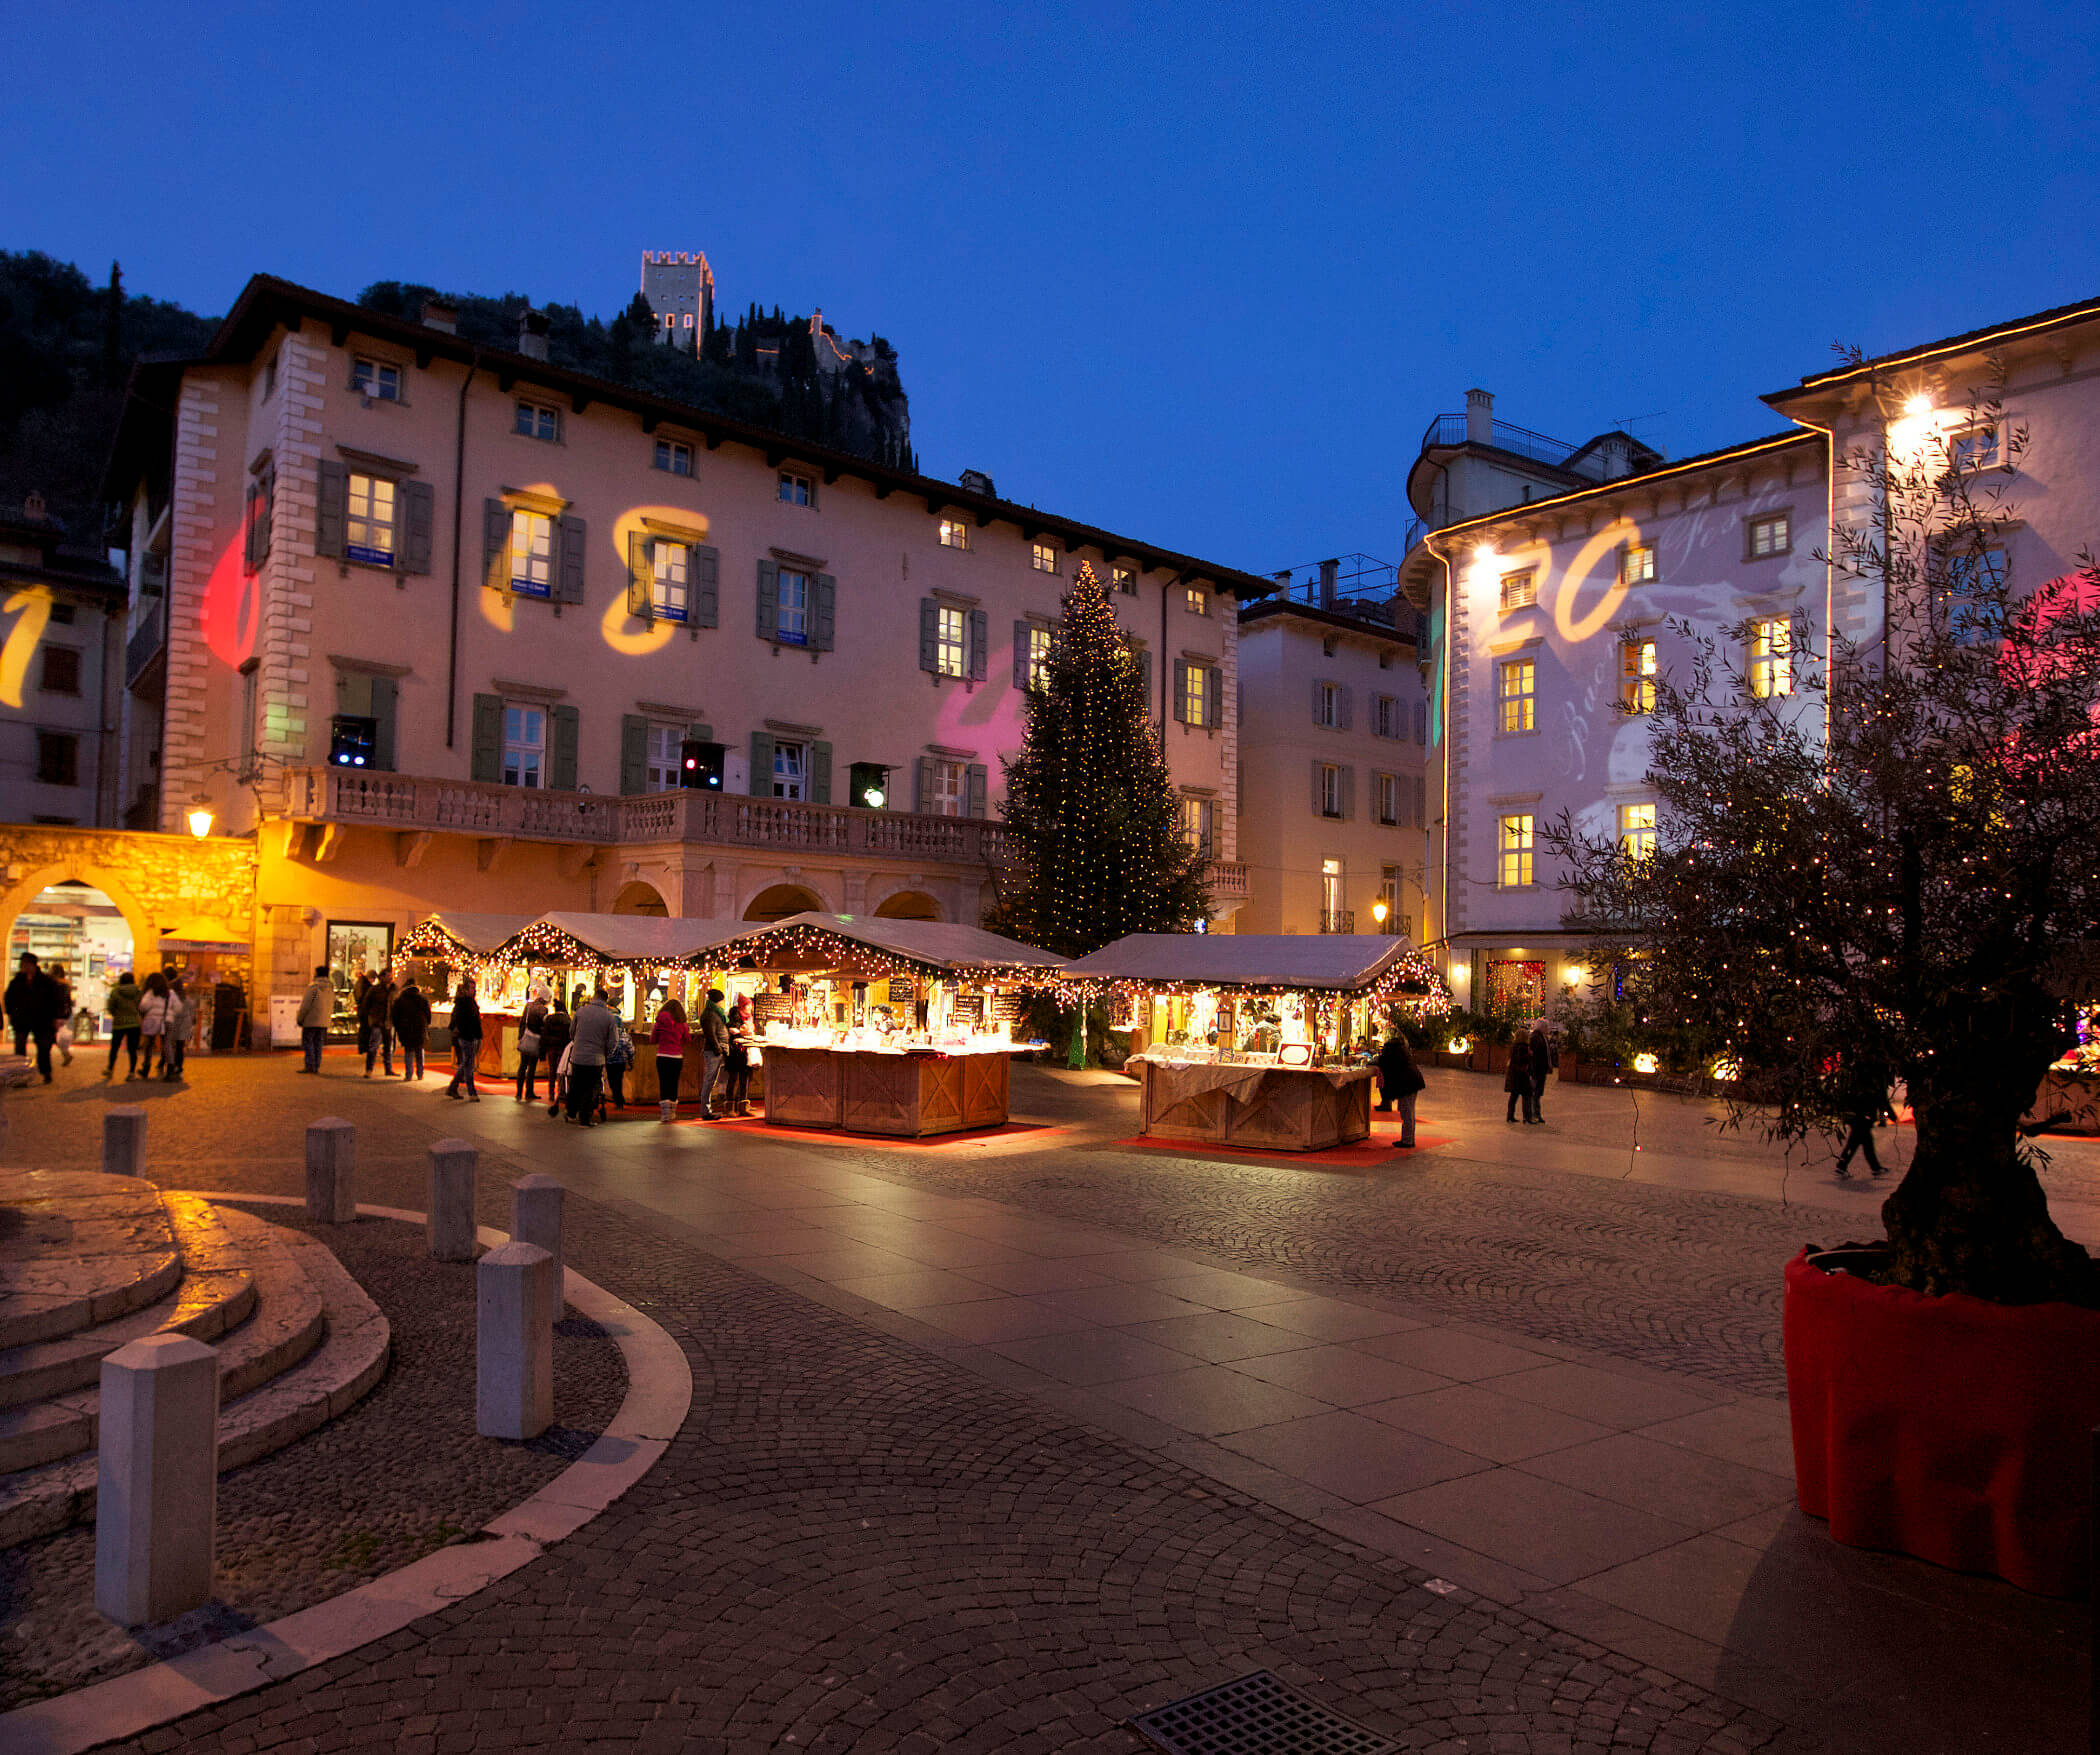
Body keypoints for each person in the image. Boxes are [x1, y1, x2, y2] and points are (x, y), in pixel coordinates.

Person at [5, 951, 67, 1083]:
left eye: (25, 964)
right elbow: (9, 998)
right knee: (20, 1048)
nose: (23, 967)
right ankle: (20, 1076)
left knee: (44, 1047)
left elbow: (56, 999)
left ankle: (46, 1072)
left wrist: (56, 1016)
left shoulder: (45, 981)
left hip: (42, 1019)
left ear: (33, 965)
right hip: (22, 1020)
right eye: (22, 964)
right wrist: (12, 1013)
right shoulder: (17, 981)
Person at [1835, 1053, 1896, 1178]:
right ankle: (1845, 1165)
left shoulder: (1859, 1073)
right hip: (1865, 1113)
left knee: (1861, 1141)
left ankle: (1872, 1167)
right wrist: (1891, 1114)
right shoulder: (1876, 1077)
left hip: (1858, 1113)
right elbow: (1881, 1097)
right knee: (1859, 1141)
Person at [566, 988, 616, 1125]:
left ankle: (570, 1113)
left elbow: (571, 1031)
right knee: (590, 1088)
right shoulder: (609, 1017)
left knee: (576, 1085)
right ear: (605, 1000)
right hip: (596, 1058)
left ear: (594, 997)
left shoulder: (581, 1012)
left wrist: (577, 1043)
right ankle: (585, 1117)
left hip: (578, 1056)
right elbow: (613, 1041)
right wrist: (606, 1054)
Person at [1376, 1029, 1424, 1149]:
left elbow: (1383, 1062)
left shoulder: (1392, 1051)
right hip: (1412, 1082)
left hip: (1407, 1084)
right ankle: (1408, 1139)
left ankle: (1407, 1140)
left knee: (1407, 1112)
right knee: (1409, 1112)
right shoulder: (1401, 1050)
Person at [445, 975, 483, 1101]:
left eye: (474, 988)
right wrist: (471, 1034)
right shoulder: (463, 1003)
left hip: (470, 1036)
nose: (474, 990)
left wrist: (478, 1035)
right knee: (468, 1064)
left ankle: (453, 1087)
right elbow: (462, 1021)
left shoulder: (470, 1002)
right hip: (466, 1036)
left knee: (466, 1063)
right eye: (472, 988)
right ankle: (471, 1092)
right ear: (466, 990)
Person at [697, 987, 731, 1121]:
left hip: (716, 1050)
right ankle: (705, 1110)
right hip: (713, 1051)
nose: (723, 1003)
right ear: (718, 1001)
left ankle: (707, 1109)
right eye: (722, 1000)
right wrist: (718, 1049)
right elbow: (710, 1034)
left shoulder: (714, 1013)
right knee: (709, 1081)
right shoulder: (710, 1014)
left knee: (711, 1080)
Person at [652, 998, 688, 1123]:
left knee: (664, 1083)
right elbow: (687, 1039)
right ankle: (672, 1112)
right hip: (677, 1057)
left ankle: (665, 1114)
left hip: (662, 1055)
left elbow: (653, 1038)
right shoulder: (682, 1023)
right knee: (673, 1083)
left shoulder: (660, 1021)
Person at [105, 968, 144, 1079]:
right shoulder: (138, 992)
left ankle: (110, 1069)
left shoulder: (116, 992)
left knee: (114, 1048)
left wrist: (116, 1014)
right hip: (134, 1024)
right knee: (132, 1050)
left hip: (119, 1023)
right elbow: (141, 1006)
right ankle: (131, 1072)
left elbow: (110, 1007)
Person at [391, 976, 431, 1080]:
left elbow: (395, 1015)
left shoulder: (400, 1000)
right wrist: (426, 1025)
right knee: (419, 1050)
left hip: (405, 1028)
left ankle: (409, 1074)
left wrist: (398, 1027)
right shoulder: (422, 999)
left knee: (408, 1051)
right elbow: (428, 1014)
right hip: (419, 1027)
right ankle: (420, 1073)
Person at [295, 964, 334, 1073]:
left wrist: (300, 1018)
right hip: (323, 1021)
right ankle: (316, 1065)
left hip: (311, 1020)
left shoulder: (313, 987)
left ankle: (310, 1065)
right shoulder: (330, 988)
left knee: (308, 1042)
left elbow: (305, 1005)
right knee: (318, 1043)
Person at [515, 987, 551, 1101]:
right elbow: (543, 1028)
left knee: (522, 1066)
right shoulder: (544, 1010)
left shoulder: (529, 1006)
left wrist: (520, 1037)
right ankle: (529, 1092)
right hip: (536, 1041)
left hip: (526, 1038)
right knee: (532, 1067)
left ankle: (519, 1092)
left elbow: (522, 1022)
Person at [540, 996, 573, 1118]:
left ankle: (550, 1092)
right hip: (562, 1048)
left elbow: (544, 1035)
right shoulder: (567, 1020)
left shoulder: (549, 1019)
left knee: (552, 1070)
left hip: (551, 1047)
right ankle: (561, 1092)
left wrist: (542, 1050)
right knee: (561, 1071)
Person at [360, 970, 396, 1078]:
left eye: (391, 976)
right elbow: (366, 1005)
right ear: (382, 977)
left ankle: (388, 1069)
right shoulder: (375, 990)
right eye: (389, 976)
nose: (391, 978)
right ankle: (369, 1069)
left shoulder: (393, 990)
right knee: (373, 1047)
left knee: (388, 1047)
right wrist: (370, 1018)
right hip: (377, 1021)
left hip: (388, 1022)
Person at [137, 972, 170, 1079]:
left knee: (149, 1045)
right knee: (165, 1044)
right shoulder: (167, 994)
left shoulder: (150, 993)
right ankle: (164, 1064)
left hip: (151, 1021)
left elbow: (143, 1006)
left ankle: (146, 1066)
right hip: (164, 1021)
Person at [724, 995, 753, 1117]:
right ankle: (730, 1106)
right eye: (748, 1005)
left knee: (744, 1079)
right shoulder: (734, 1016)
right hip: (735, 1051)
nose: (750, 1007)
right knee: (733, 1078)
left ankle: (743, 1106)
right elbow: (732, 1030)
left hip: (746, 1050)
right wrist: (743, 1031)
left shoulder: (750, 1017)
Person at [162, 979, 194, 1081]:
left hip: (174, 1023)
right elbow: (192, 1013)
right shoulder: (187, 999)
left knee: (170, 1046)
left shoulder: (171, 998)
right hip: (184, 1025)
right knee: (180, 1047)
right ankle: (179, 1067)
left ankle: (171, 1066)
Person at [1526, 1023, 1553, 1125]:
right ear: (1542, 1027)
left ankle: (1536, 1114)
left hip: (1541, 1070)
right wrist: (1533, 1070)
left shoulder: (1542, 1037)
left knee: (1537, 1093)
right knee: (1535, 1093)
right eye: (1546, 1027)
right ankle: (1534, 1114)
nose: (1548, 1029)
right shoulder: (1536, 1038)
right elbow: (1533, 1056)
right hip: (1537, 1071)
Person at [607, 1011, 634, 1109]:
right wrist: (631, 1061)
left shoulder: (608, 1035)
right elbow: (630, 1050)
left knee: (612, 1081)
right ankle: (619, 1100)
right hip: (621, 1062)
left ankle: (618, 1099)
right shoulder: (625, 1035)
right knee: (618, 1080)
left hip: (609, 1061)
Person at [1504, 1035, 1533, 1124]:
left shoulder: (1514, 1046)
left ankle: (1510, 1116)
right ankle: (1527, 1117)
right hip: (1522, 1075)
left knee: (1513, 1096)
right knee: (1527, 1095)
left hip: (1514, 1074)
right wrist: (1530, 1055)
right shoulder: (1523, 1047)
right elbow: (1522, 1059)